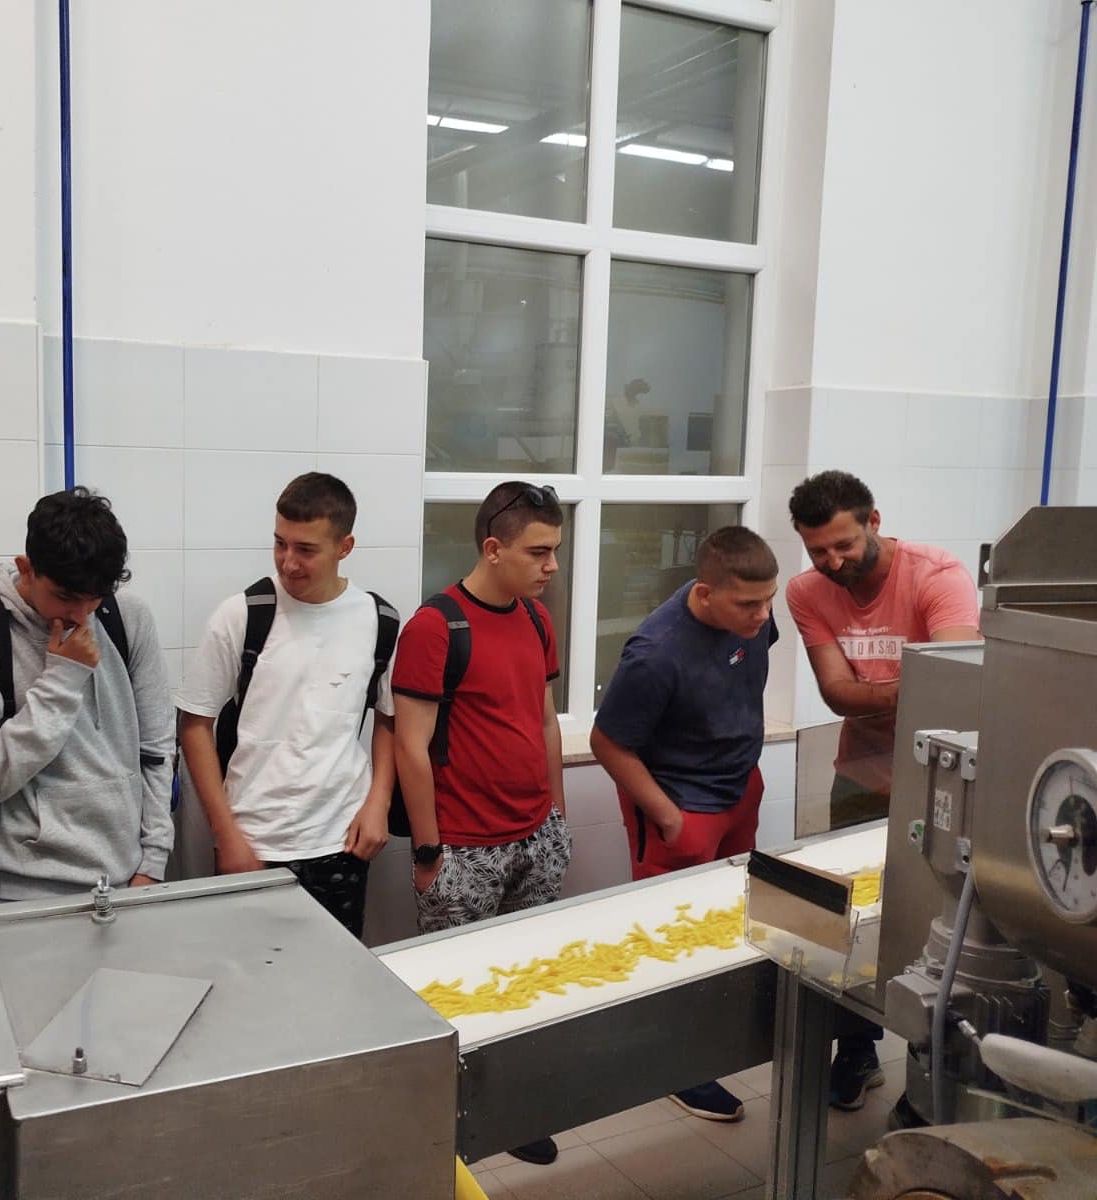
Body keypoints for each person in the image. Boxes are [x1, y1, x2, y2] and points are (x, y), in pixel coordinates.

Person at [786, 469, 979, 1117]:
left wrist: (877, 690)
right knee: (853, 917)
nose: (832, 562)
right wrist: (908, 681)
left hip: (940, 782)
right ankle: (857, 1049)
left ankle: (930, 1068)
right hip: (860, 776)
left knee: (939, 922)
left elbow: (952, 688)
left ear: (874, 521)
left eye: (844, 544)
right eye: (817, 550)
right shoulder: (807, 591)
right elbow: (835, 694)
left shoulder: (935, 575)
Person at [392, 480, 570, 1166]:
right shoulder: (436, 627)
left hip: (535, 837)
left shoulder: (536, 618)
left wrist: (556, 816)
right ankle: (450, 1130)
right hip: (464, 850)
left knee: (524, 982)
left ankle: (512, 1114)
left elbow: (544, 719)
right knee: (458, 993)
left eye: (555, 550)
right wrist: (429, 852)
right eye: (539, 552)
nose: (552, 565)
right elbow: (410, 746)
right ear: (494, 549)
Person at [590, 526, 779, 1122]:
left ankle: (711, 1038)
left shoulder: (752, 618)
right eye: (748, 604)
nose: (762, 616)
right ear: (704, 593)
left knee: (727, 921)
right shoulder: (656, 653)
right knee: (671, 938)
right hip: (682, 805)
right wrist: (669, 817)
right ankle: (675, 1067)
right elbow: (607, 743)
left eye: (769, 600)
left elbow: (740, 670)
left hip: (737, 789)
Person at [177, 473, 396, 939]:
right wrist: (225, 833)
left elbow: (389, 720)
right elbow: (194, 725)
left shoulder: (380, 621)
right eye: (280, 543)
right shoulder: (242, 614)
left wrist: (378, 802)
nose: (288, 562)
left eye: (306, 549)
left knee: (335, 972)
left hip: (341, 842)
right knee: (245, 975)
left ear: (344, 547)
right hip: (252, 842)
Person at [0, 488, 174, 900]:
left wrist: (154, 862)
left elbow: (157, 748)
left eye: (95, 599)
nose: (81, 616)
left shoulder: (128, 618)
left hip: (127, 878)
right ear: (26, 569)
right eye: (66, 598)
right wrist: (63, 678)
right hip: (20, 886)